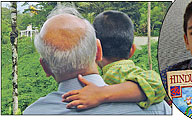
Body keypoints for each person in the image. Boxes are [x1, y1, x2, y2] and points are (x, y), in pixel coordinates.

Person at [23, 6, 171, 115]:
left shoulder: (33, 114)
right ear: (98, 50)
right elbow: (157, 84)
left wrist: (103, 93)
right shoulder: (157, 108)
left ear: (45, 67)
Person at [62, 10, 168, 110]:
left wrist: (101, 93)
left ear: (95, 50)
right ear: (132, 50)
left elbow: (157, 84)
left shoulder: (117, 71)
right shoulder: (117, 73)